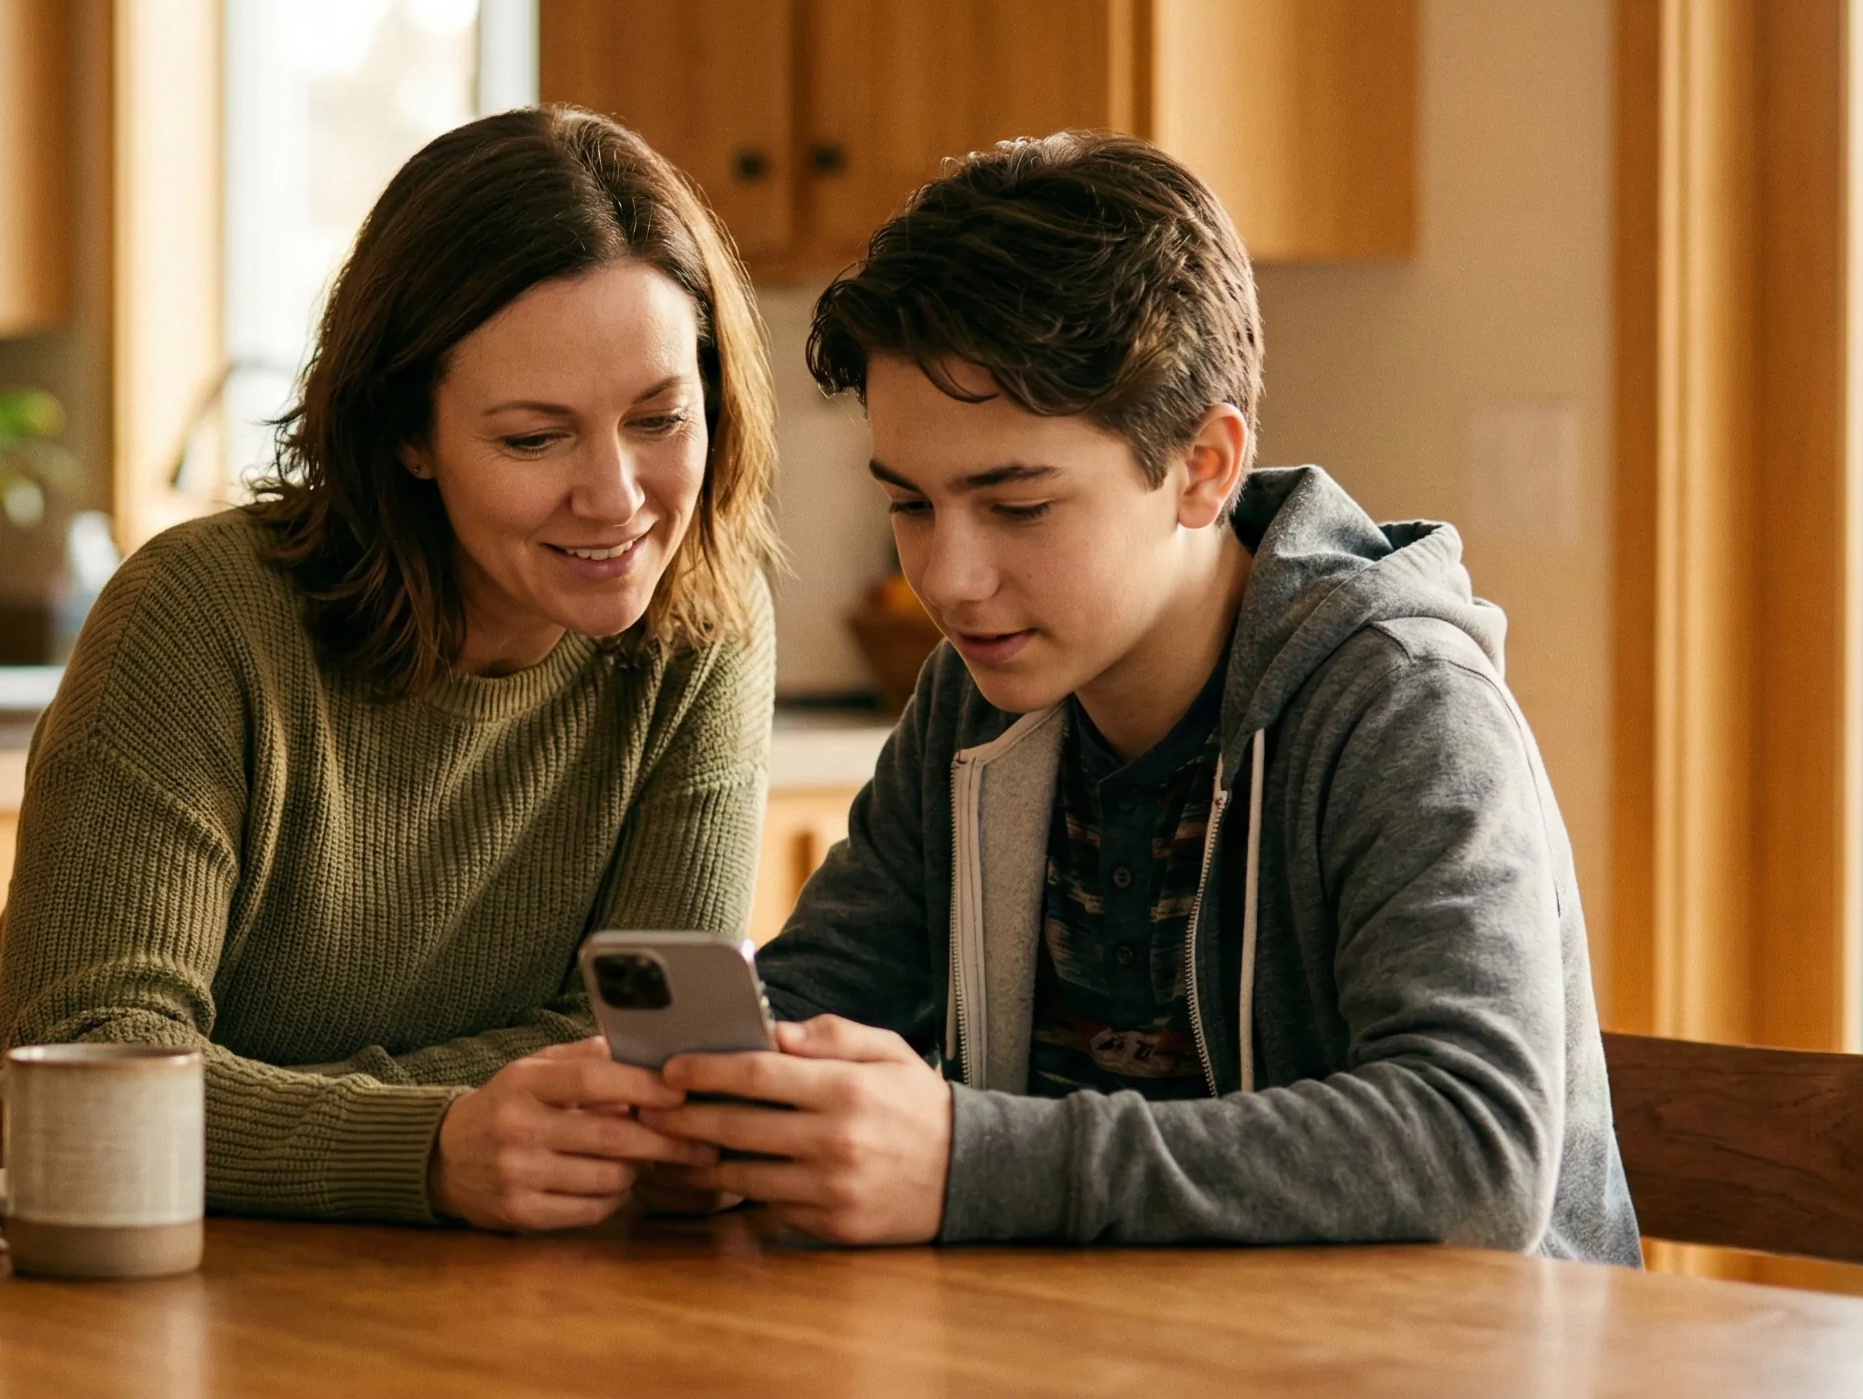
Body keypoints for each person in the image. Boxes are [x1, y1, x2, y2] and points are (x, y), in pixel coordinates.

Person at [637, 132, 1640, 1262]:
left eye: (1017, 506)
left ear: (1203, 468)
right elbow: (816, 1002)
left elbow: (1475, 1158)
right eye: (910, 504)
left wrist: (975, 1162)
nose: (948, 580)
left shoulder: (1398, 707)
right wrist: (700, 1111)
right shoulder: (980, 701)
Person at [0, 106, 780, 1231]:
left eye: (659, 417)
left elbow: (653, 1060)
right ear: (409, 436)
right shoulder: (197, 616)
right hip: (11, 1257)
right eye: (533, 439)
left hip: (429, 1280)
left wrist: (234, 1099)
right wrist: (436, 1143)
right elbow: (93, 1074)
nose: (617, 497)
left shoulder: (702, 628)